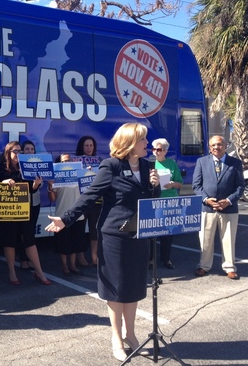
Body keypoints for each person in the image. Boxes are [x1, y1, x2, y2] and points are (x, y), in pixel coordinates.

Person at [45, 123, 160, 361]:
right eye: (143, 140)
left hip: (139, 233)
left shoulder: (148, 165)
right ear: (130, 142)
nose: (147, 144)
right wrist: (66, 220)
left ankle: (131, 334)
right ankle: (116, 338)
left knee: (135, 285)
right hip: (115, 236)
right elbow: (90, 196)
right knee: (116, 288)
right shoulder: (112, 165)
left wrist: (156, 187)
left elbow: (149, 200)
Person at [0, 141, 51, 285]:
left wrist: (35, 185)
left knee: (29, 239)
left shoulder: (25, 168)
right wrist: (4, 183)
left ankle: (39, 272)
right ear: (8, 152)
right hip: (8, 212)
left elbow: (30, 190)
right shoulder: (0, 168)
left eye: (20, 151)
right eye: (15, 151)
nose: (18, 154)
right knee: (10, 241)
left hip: (26, 210)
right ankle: (12, 273)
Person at [192, 135, 244, 280]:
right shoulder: (202, 162)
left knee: (228, 239)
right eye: (213, 145)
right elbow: (196, 185)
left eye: (219, 144)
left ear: (225, 145)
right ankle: (203, 265)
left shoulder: (235, 163)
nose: (216, 147)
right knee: (205, 239)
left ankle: (229, 267)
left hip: (229, 208)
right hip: (207, 208)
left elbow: (240, 186)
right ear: (209, 147)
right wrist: (206, 199)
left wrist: (229, 200)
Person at [48, 153, 87, 276]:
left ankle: (73, 265)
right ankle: (64, 266)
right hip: (62, 214)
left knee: (75, 242)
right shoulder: (57, 177)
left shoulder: (79, 174)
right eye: (64, 161)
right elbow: (52, 198)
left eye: (69, 160)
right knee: (63, 243)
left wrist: (88, 174)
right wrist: (50, 187)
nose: (67, 163)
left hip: (77, 215)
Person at [151, 138, 183, 269]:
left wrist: (172, 184)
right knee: (152, 232)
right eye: (154, 149)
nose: (156, 152)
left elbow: (179, 182)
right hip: (155, 200)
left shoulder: (172, 164)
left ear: (165, 151)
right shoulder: (150, 164)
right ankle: (150, 260)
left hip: (170, 200)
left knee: (168, 233)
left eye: (159, 150)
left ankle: (166, 259)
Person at [75, 135, 99, 267]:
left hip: (95, 201)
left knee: (94, 229)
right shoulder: (76, 162)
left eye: (91, 145)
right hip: (81, 199)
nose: (89, 148)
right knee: (80, 229)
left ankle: (94, 257)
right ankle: (80, 255)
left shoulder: (99, 161)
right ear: (81, 147)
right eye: (86, 146)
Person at [17, 140, 41, 272]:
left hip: (35, 203)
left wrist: (37, 184)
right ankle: (23, 259)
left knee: (30, 232)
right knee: (22, 233)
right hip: (21, 204)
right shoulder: (18, 166)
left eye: (32, 149)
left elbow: (40, 186)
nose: (30, 151)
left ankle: (29, 259)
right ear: (22, 151)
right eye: (27, 149)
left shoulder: (38, 166)